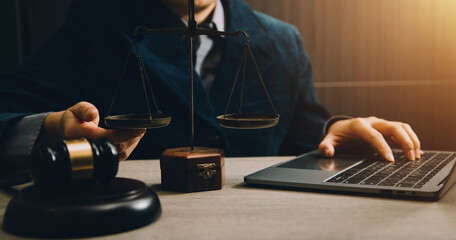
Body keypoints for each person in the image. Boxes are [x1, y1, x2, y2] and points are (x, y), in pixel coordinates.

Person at [0, 0, 421, 176]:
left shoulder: (281, 40)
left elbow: (306, 138)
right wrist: (53, 129)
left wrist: (340, 130)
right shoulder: (95, 28)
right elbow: (7, 114)